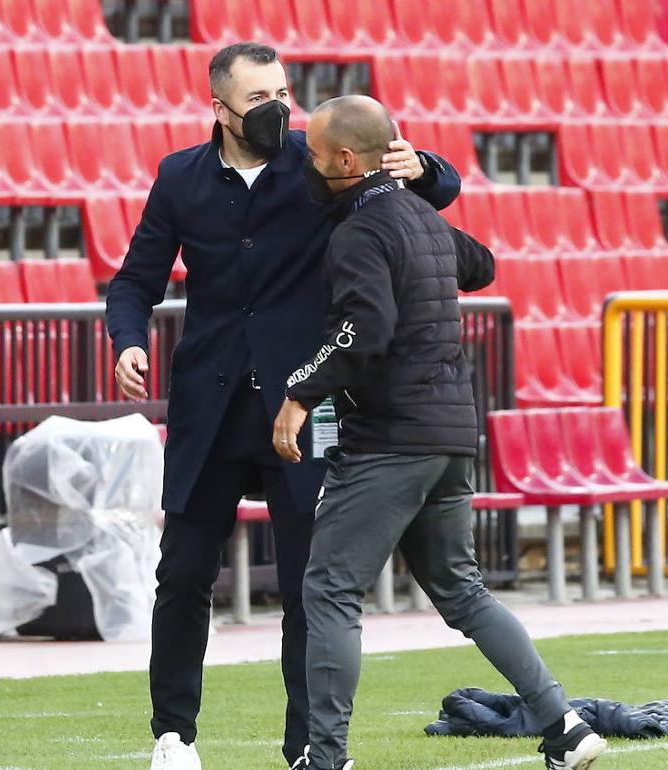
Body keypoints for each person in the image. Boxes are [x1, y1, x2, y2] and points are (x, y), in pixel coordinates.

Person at [106, 42, 463, 770]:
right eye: (260, 97)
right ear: (220, 109)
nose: (278, 109)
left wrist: (422, 166)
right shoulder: (179, 176)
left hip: (302, 403)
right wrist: (126, 340)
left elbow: (437, 188)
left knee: (310, 583)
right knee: (182, 575)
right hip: (209, 405)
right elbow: (134, 279)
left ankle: (308, 746)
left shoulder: (320, 161)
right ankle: (174, 735)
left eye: (283, 93)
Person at [272, 95, 609, 770]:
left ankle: (326, 759)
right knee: (461, 589)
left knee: (330, 590)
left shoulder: (361, 232)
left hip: (391, 438)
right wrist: (421, 189)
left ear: (344, 159)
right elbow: (479, 265)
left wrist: (298, 392)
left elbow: (362, 331)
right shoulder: (416, 215)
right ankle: (564, 727)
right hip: (452, 432)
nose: (305, 167)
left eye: (312, 156)